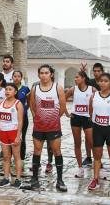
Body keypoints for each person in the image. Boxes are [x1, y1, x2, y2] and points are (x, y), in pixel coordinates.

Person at [29, 64, 67, 192]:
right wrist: (36, 118)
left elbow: (62, 107)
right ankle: (34, 179)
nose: (44, 75)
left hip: (53, 127)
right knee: (37, 151)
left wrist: (53, 119)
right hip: (39, 127)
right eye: (41, 73)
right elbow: (32, 106)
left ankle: (60, 180)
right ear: (38, 74)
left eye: (46, 73)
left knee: (57, 152)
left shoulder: (58, 88)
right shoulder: (35, 88)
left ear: (51, 74)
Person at [87, 73, 110, 192]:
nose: (102, 83)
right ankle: (95, 179)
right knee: (97, 156)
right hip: (97, 129)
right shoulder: (94, 96)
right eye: (101, 81)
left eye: (106, 81)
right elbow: (90, 111)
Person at [64, 71, 95, 178]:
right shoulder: (73, 89)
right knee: (77, 143)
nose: (75, 79)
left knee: (92, 142)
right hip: (76, 118)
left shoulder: (92, 89)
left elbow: (100, 101)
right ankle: (80, 168)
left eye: (77, 77)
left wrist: (93, 115)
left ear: (83, 78)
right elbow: (63, 99)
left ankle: (97, 165)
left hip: (88, 118)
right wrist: (67, 113)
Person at [0, 83, 24, 188]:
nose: (7, 91)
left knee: (17, 157)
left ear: (15, 92)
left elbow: (21, 122)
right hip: (3, 132)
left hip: (13, 132)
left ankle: (18, 179)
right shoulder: (1, 103)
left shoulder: (18, 104)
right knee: (6, 157)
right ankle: (6, 178)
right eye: (6, 89)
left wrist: (18, 136)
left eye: (10, 89)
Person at [12, 71, 30, 169]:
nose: (17, 78)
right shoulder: (9, 88)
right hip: (11, 118)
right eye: (15, 76)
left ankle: (21, 159)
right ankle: (11, 158)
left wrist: (25, 110)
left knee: (22, 138)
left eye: (19, 76)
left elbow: (30, 101)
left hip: (23, 117)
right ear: (12, 77)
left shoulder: (25, 89)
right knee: (11, 138)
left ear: (21, 78)